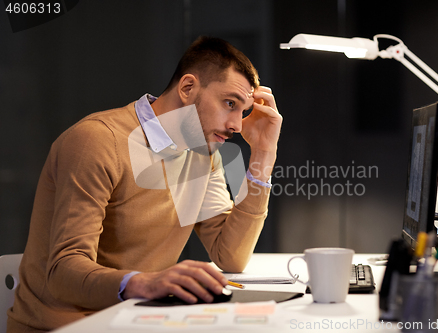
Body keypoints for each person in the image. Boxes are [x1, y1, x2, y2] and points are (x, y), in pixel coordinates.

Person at [7, 36, 282, 333]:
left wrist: (264, 154)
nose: (237, 126)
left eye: (242, 112)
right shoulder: (97, 141)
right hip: (64, 326)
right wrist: (144, 282)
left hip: (137, 320)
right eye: (230, 103)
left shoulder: (203, 152)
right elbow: (63, 272)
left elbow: (231, 256)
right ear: (188, 88)